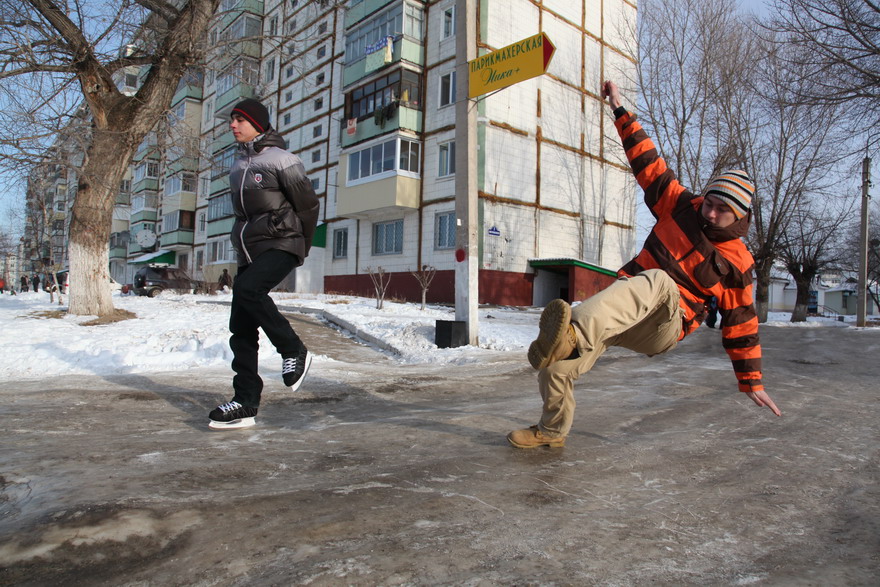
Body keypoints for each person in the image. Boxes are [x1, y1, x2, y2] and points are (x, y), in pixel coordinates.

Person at [507, 80, 781, 449]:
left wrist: (752, 381)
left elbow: (742, 325)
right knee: (557, 366)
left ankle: (574, 332)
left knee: (657, 280)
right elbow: (646, 161)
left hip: (665, 325)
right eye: (710, 203)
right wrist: (619, 109)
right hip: (627, 308)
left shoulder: (738, 263)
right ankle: (552, 431)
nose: (711, 213)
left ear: (740, 216)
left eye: (722, 210)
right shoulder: (680, 204)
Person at [208, 98, 320, 430]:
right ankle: (245, 402)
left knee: (247, 288)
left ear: (258, 124)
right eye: (232, 119)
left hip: (283, 242)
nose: (233, 125)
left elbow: (308, 206)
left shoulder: (282, 160)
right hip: (250, 250)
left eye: (239, 119)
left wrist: (303, 247)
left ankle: (293, 348)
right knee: (241, 329)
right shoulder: (237, 166)